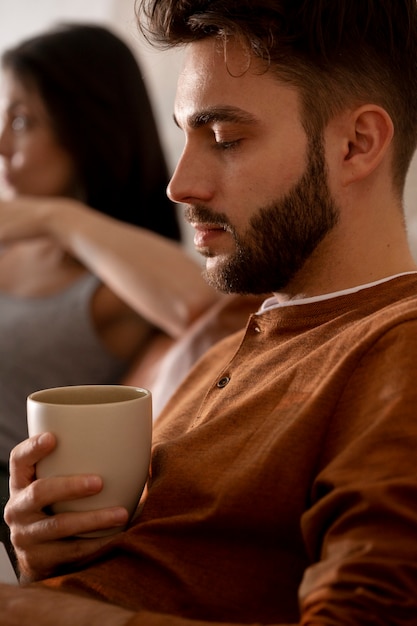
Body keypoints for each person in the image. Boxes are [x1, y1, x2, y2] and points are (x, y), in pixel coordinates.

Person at [2, 0, 417, 623]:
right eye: (184, 135)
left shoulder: (396, 348)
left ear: (357, 145)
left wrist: (51, 615)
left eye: (225, 139)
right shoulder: (232, 345)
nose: (180, 184)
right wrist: (51, 561)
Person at [0, 23, 221, 548]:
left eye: (22, 121)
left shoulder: (117, 285)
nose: (1, 144)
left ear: (86, 128)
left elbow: (208, 310)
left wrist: (57, 218)